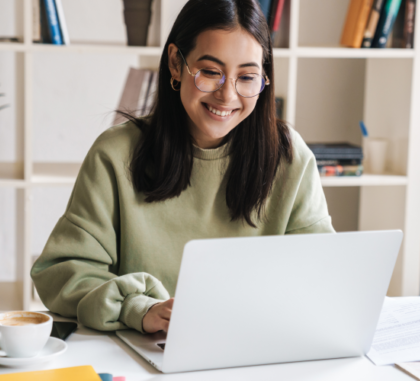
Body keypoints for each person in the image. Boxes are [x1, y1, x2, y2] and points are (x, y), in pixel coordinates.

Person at [31, 0, 334, 334]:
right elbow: (62, 272)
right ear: (176, 63)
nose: (227, 95)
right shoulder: (116, 155)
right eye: (210, 72)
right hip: (145, 350)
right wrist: (138, 308)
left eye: (246, 77)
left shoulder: (290, 156)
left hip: (257, 344)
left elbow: (322, 274)